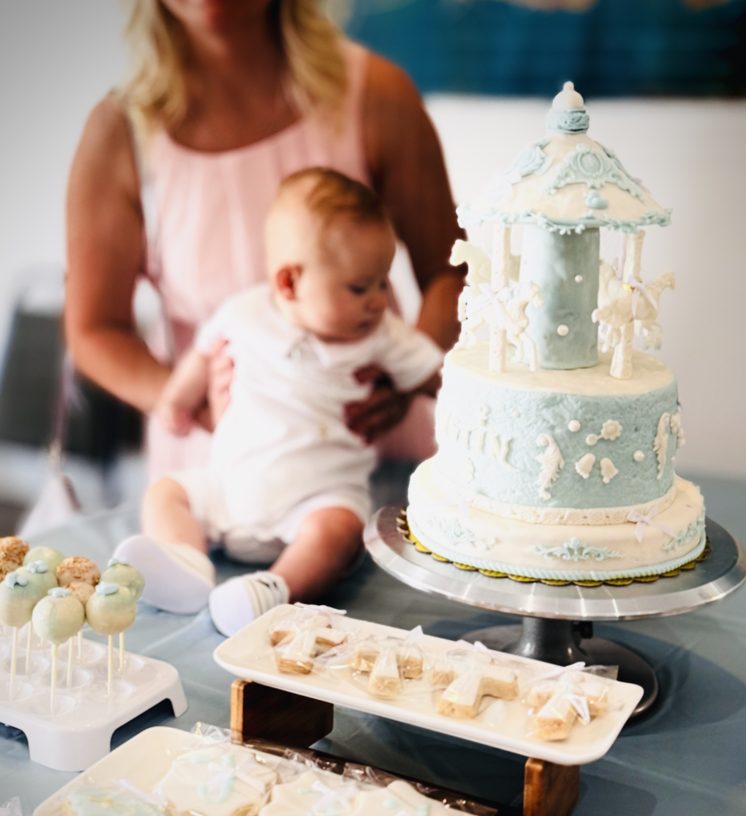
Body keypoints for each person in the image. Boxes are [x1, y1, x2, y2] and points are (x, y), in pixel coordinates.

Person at [64, 0, 464, 480]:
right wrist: (190, 402)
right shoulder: (118, 135)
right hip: (217, 470)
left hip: (373, 452)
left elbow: (451, 271)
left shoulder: (377, 94)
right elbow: (95, 329)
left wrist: (410, 376)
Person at [113, 168, 443, 636]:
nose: (377, 301)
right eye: (359, 287)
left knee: (340, 530)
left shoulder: (384, 337)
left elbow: (442, 378)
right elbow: (204, 355)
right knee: (166, 493)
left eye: (383, 283)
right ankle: (186, 564)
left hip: (315, 498)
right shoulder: (244, 312)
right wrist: (176, 399)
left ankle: (273, 590)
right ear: (289, 282)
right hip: (228, 486)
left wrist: (424, 389)